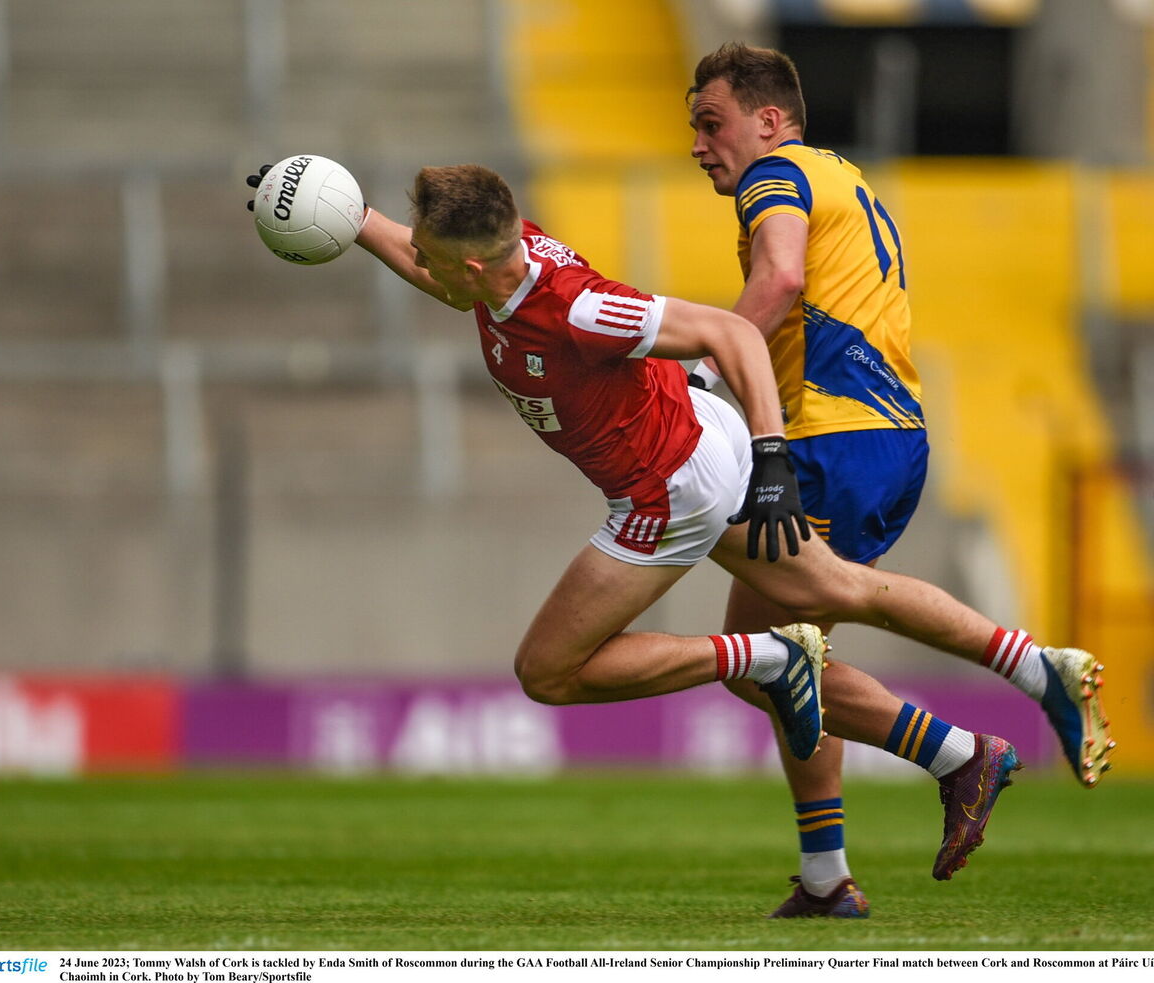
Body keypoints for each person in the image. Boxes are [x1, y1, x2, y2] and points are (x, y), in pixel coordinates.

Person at [246, 161, 1053, 897]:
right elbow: (430, 261)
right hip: (697, 436)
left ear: (472, 268)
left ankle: (772, 658)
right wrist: (342, 214)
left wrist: (773, 456)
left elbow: (730, 332)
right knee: (839, 587)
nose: (414, 260)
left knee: (551, 669)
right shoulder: (495, 266)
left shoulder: (578, 311)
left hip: (673, 487)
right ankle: (952, 762)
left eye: (428, 254)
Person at [683, 42, 1114, 917]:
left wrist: (703, 366)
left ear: (768, 120)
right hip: (884, 435)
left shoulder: (777, 174)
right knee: (784, 661)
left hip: (831, 439)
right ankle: (826, 876)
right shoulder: (841, 176)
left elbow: (781, 278)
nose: (698, 144)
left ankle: (987, 725)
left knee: (770, 658)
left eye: (710, 122)